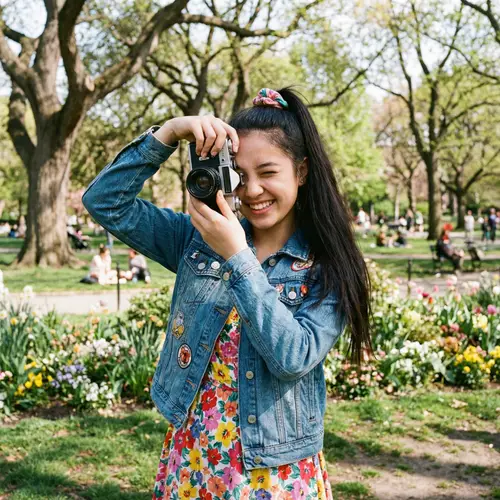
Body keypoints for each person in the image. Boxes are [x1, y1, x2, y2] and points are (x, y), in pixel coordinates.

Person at [82, 87, 372, 499]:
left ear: (301, 172)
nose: (252, 190)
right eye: (238, 174)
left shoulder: (329, 266)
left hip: (275, 468)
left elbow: (294, 357)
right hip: (195, 451)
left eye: (268, 172)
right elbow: (104, 201)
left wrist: (237, 255)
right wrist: (168, 133)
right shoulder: (197, 240)